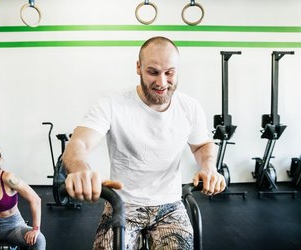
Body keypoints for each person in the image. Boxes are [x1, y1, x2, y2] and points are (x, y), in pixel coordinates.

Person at [62, 36, 226, 249]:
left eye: (169, 73)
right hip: (122, 203)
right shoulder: (112, 103)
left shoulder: (190, 107)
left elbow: (202, 144)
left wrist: (209, 168)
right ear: (138, 67)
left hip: (170, 204)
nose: (162, 82)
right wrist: (80, 169)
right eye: (153, 72)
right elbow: (79, 145)